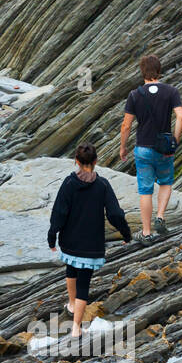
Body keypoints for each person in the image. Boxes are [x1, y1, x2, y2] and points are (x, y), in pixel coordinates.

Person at [47, 142, 133, 338]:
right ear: (95, 161)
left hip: (69, 241)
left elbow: (59, 212)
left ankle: (71, 305)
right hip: (91, 245)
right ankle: (76, 326)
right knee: (84, 284)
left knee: (71, 269)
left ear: (76, 161)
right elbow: (115, 214)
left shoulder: (69, 184)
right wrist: (126, 234)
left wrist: (52, 237)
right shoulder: (102, 185)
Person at [119, 53, 182, 241]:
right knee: (165, 182)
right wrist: (175, 140)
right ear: (159, 70)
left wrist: (123, 147)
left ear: (142, 72)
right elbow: (181, 117)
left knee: (145, 189)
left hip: (143, 149)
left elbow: (126, 125)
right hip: (164, 148)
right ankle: (161, 216)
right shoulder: (171, 91)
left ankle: (146, 233)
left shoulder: (135, 95)